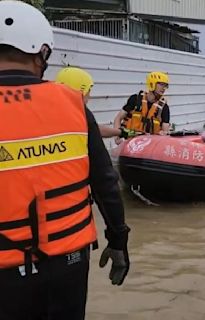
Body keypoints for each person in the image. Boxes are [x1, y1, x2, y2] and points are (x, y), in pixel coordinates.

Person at [0, 2, 130, 320]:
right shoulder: (70, 103)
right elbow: (105, 183)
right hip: (67, 262)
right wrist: (118, 239)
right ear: (42, 52)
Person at [55, 66, 135, 139]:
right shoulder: (78, 114)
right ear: (82, 90)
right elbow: (96, 131)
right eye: (89, 91)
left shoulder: (52, 111)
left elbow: (95, 129)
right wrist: (122, 132)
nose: (89, 96)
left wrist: (121, 132)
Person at [113, 71, 170, 144]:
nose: (164, 88)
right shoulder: (135, 99)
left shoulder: (164, 107)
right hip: (129, 143)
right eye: (161, 84)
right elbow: (118, 118)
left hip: (149, 146)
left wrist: (163, 133)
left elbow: (165, 131)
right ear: (152, 83)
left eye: (165, 86)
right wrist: (117, 137)